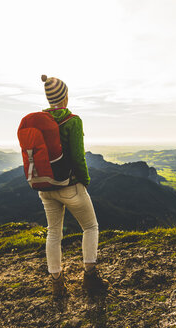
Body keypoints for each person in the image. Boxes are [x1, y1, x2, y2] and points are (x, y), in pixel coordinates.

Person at [38, 75, 108, 298]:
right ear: (65, 97)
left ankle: (57, 285)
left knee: (53, 233)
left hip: (45, 187)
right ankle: (90, 277)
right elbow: (78, 157)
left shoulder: (40, 121)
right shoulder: (72, 121)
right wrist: (84, 182)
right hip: (70, 185)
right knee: (90, 227)